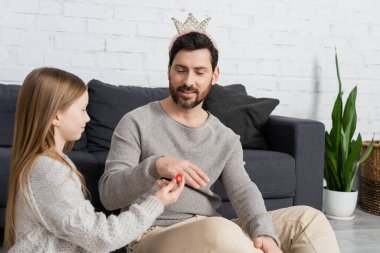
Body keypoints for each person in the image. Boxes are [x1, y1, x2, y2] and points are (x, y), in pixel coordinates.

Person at [99, 14, 341, 253]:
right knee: (218, 230)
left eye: (199, 71)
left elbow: (243, 190)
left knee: (309, 220)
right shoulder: (135, 122)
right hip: (153, 233)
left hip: (212, 227)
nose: (188, 81)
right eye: (181, 70)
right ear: (169, 71)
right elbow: (109, 194)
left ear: (214, 75)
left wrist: (263, 232)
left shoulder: (224, 137)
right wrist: (155, 166)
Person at [3, 67, 185, 252]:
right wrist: (156, 202)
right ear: (56, 116)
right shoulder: (48, 170)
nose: (88, 118)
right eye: (82, 110)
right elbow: (102, 237)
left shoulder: (45, 163)